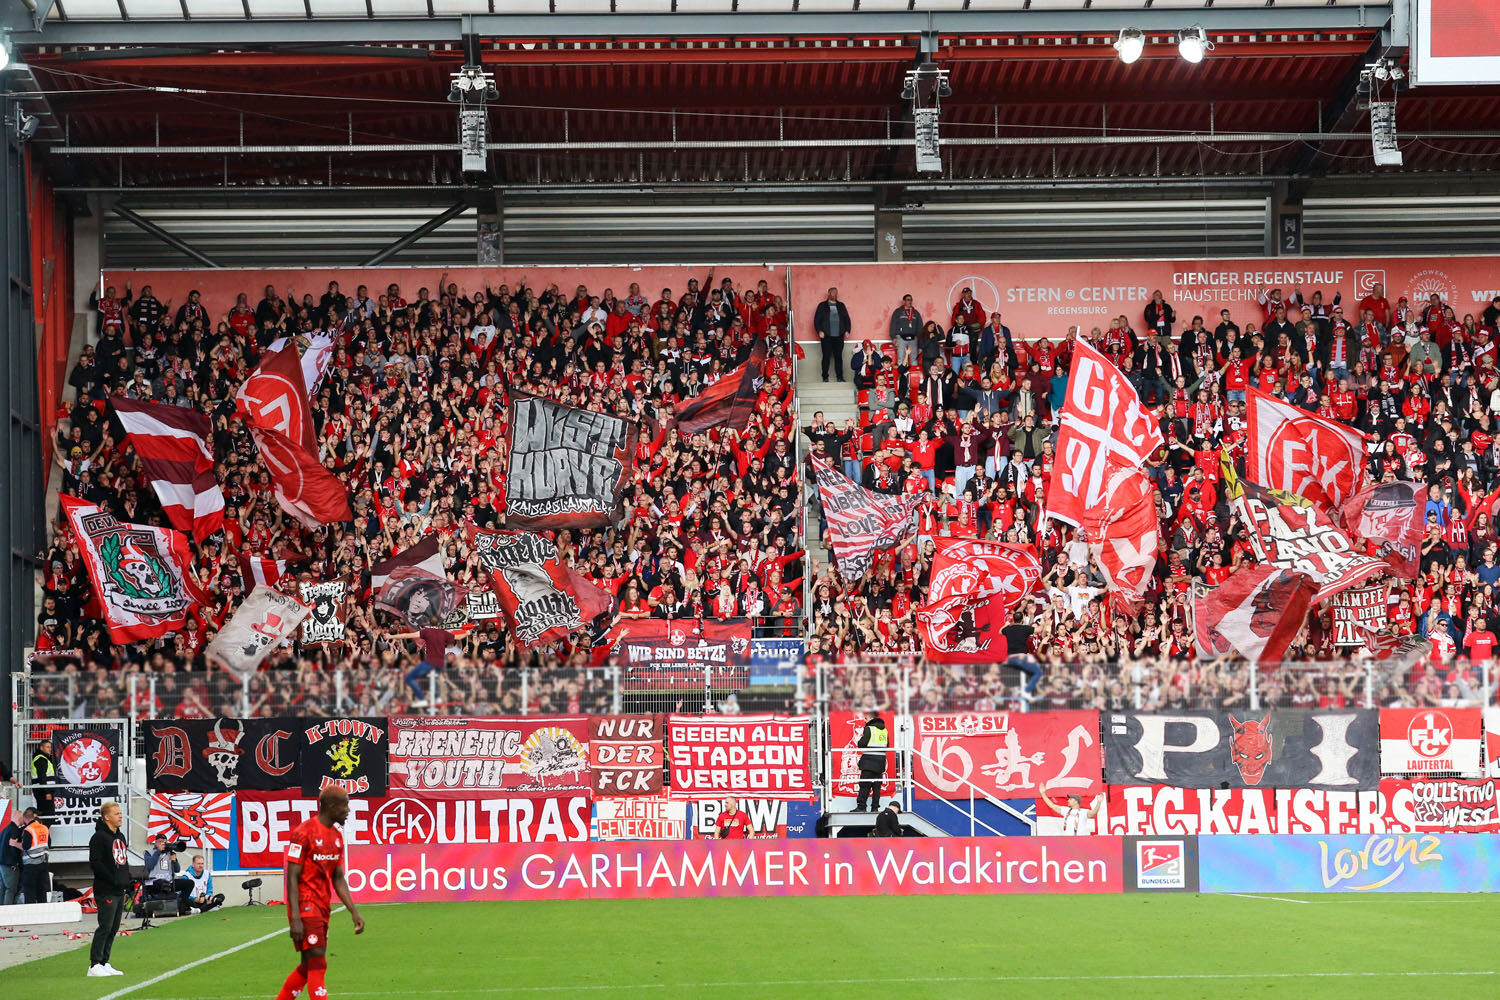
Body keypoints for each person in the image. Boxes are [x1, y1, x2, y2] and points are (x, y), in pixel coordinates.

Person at [276, 786, 364, 1000]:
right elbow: (292, 876)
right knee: (317, 960)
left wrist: (354, 911)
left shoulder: (335, 836)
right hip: (306, 906)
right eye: (345, 805)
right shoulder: (303, 833)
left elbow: (338, 877)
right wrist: (295, 918)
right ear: (332, 807)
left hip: (323, 906)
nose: (348, 810)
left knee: (308, 965)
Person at [88, 801, 131, 978]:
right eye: (116, 814)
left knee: (113, 928)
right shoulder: (99, 838)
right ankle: (94, 964)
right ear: (106, 817)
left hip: (119, 890)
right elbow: (95, 864)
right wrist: (113, 879)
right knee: (104, 926)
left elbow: (123, 861)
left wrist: (126, 881)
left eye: (120, 813)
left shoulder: (120, 837)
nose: (120, 816)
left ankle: (105, 961)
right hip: (106, 889)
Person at [384, 625, 454, 709]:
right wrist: (467, 632)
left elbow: (406, 635)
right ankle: (437, 697)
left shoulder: (427, 632)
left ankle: (423, 699)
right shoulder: (443, 633)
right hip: (440, 663)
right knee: (433, 676)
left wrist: (391, 636)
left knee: (409, 678)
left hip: (431, 663)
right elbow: (457, 637)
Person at [854, 709, 889, 812]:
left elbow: (861, 744)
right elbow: (887, 746)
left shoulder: (869, 728)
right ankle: (874, 808)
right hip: (880, 763)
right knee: (876, 787)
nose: (864, 720)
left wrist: (860, 741)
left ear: (871, 719)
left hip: (868, 762)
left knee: (864, 785)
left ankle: (861, 807)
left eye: (866, 718)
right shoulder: (885, 730)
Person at [814, 287, 851, 382]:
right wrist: (819, 331)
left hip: (839, 336)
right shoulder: (822, 305)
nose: (835, 294)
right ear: (829, 293)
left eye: (836, 293)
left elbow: (847, 319)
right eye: (833, 292)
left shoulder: (841, 305)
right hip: (826, 336)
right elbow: (817, 320)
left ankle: (840, 377)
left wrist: (847, 330)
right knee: (826, 356)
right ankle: (825, 377)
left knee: (838, 357)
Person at [19, 806, 50, 903]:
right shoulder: (44, 827)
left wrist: (16, 844)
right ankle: (43, 914)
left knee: (29, 891)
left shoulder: (28, 830)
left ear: (25, 818)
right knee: (42, 890)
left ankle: (31, 915)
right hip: (43, 863)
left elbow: (26, 846)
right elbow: (49, 843)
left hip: (31, 864)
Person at [30, 739, 57, 824]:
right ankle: (44, 835)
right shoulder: (41, 759)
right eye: (47, 747)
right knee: (47, 817)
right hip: (43, 793)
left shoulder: (44, 758)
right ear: (41, 748)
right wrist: (47, 792)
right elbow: (42, 777)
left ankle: (45, 835)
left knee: (47, 817)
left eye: (50, 747)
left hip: (42, 792)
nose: (50, 749)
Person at [0, 807, 23, 905]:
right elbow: (13, 847)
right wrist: (15, 862)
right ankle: (8, 910)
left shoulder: (4, 830)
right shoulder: (15, 831)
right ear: (19, 818)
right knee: (11, 888)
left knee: (3, 888)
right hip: (10, 864)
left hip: (2, 863)